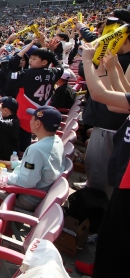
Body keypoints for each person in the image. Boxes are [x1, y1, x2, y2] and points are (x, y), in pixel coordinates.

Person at [74, 43, 130, 278]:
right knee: (112, 230)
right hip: (124, 171)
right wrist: (113, 67)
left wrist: (88, 60)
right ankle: (100, 265)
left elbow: (100, 94)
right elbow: (120, 98)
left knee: (120, 235)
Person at [0, 106, 65, 211]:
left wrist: (4, 176)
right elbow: (37, 165)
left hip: (27, 197)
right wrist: (13, 164)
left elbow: (27, 182)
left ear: (38, 124)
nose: (30, 120)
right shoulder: (57, 140)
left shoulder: (36, 149)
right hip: (37, 192)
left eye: (32, 118)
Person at [8, 38, 63, 152]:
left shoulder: (28, 74)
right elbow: (59, 66)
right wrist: (51, 53)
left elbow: (9, 71)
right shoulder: (52, 72)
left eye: (34, 59)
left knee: (21, 143)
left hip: (25, 114)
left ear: (44, 62)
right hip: (42, 113)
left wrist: (20, 53)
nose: (30, 61)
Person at [0, 97, 21, 161]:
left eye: (0, 109)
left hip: (8, 160)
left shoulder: (14, 122)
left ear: (5, 110)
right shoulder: (3, 119)